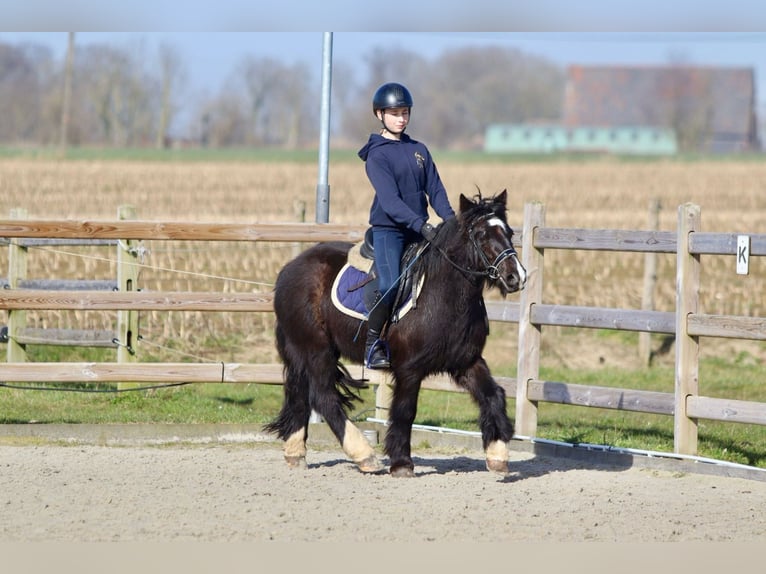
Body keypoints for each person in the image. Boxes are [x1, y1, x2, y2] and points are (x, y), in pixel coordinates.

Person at [357, 82, 456, 369]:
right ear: (380, 115)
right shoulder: (377, 155)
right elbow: (390, 201)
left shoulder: (419, 150)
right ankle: (373, 345)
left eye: (404, 112)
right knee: (390, 283)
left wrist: (451, 222)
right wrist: (422, 224)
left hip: (418, 228)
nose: (400, 118)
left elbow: (435, 190)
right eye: (394, 113)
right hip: (390, 230)